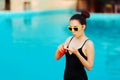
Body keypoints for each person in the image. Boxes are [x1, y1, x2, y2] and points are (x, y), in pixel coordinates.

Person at [55, 10, 94, 80]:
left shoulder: (88, 44)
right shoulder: (69, 40)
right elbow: (56, 58)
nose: (73, 31)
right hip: (67, 77)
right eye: (70, 28)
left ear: (83, 27)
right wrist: (59, 48)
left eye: (75, 28)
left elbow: (90, 67)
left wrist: (77, 54)